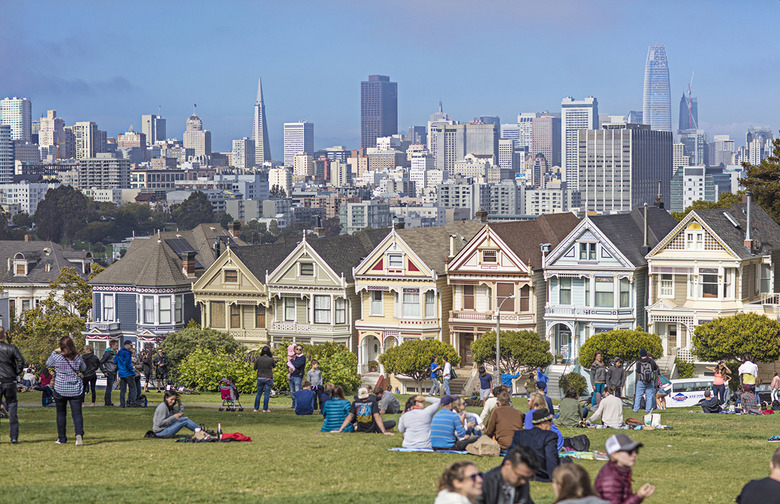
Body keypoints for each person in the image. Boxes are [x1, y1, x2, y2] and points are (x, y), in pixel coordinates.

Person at [47, 336, 86, 446]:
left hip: (60, 388)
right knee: (77, 414)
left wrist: (54, 351)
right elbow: (83, 368)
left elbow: (48, 364)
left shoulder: (57, 357)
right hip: (75, 388)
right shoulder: (78, 357)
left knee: (61, 413)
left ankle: (62, 438)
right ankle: (79, 435)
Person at [594, 434, 655, 504]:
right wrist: (638, 496)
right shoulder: (611, 479)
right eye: (629, 452)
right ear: (614, 454)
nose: (634, 454)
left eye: (636, 450)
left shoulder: (619, 471)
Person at [507, 409, 560, 482]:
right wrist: (554, 477)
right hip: (541, 474)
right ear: (542, 424)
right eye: (550, 421)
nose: (551, 424)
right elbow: (550, 457)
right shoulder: (550, 436)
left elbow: (510, 455)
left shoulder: (519, 434)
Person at [0, 326, 24, 444]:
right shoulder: (11, 348)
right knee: (13, 406)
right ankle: (14, 437)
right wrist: (16, 372)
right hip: (9, 380)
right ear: (4, 335)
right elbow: (21, 360)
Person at [632, 349, 658, 413]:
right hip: (650, 381)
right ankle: (648, 409)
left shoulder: (639, 362)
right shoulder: (651, 361)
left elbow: (637, 371)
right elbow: (655, 368)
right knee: (649, 396)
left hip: (641, 380)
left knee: (638, 395)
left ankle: (636, 409)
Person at [115, 340, 137, 408]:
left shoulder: (119, 352)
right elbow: (126, 363)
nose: (131, 347)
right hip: (128, 373)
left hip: (121, 373)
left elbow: (115, 361)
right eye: (130, 345)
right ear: (126, 345)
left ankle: (122, 404)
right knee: (133, 388)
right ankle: (131, 403)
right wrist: (132, 369)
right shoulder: (127, 353)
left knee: (123, 390)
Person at [253, 345, 274, 413]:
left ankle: (256, 408)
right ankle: (265, 409)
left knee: (258, 393)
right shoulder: (270, 359)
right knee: (266, 394)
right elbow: (274, 366)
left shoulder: (258, 359)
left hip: (260, 377)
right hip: (268, 377)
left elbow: (255, 368)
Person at [99, 339, 118, 406]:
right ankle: (107, 402)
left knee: (110, 387)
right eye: (116, 345)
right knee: (109, 388)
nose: (117, 346)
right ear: (112, 345)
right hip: (109, 372)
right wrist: (104, 371)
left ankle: (108, 401)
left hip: (113, 371)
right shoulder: (107, 354)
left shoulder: (115, 353)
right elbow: (101, 362)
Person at [289, 344, 306, 409]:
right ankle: (294, 403)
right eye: (297, 349)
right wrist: (289, 368)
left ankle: (298, 404)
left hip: (298, 376)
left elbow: (298, 365)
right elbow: (288, 363)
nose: (298, 350)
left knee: (297, 390)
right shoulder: (293, 356)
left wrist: (292, 360)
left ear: (301, 350)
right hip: (291, 375)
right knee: (292, 391)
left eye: (300, 349)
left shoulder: (302, 357)